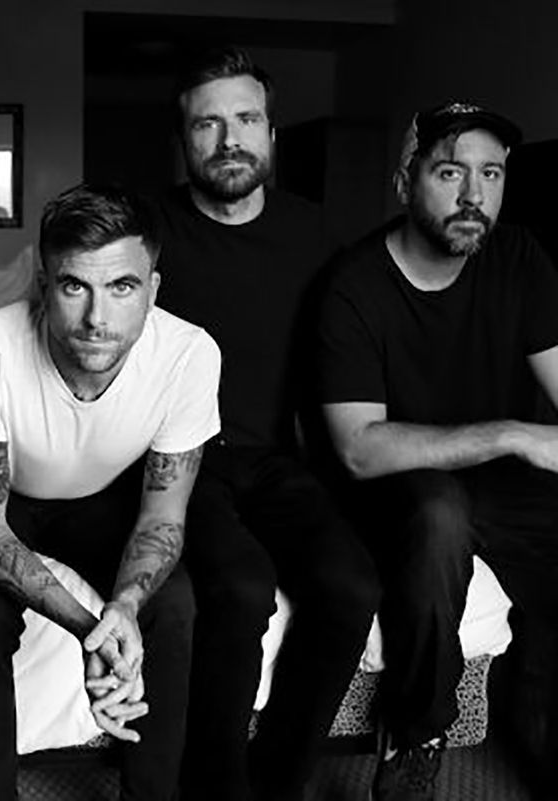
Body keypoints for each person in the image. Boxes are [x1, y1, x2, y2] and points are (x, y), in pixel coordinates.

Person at [152, 48, 380, 801]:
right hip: (181, 461)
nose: (229, 140)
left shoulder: (315, 235)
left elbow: (348, 358)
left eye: (246, 119)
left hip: (278, 462)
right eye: (207, 124)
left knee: (350, 584)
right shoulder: (147, 233)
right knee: (242, 588)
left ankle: (277, 780)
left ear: (272, 134)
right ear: (183, 140)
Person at [0, 183, 219, 800]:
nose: (97, 318)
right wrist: (90, 627)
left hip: (105, 499)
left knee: (173, 602)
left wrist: (124, 609)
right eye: (75, 286)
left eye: (122, 287)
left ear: (152, 289)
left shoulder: (189, 354)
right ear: (44, 285)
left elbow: (162, 517)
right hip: (8, 506)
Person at [318, 101, 558, 801]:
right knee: (439, 512)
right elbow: (359, 449)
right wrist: (512, 434)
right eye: (451, 172)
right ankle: (415, 735)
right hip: (396, 484)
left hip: (503, 487)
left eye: (492, 173)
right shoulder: (355, 284)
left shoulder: (519, 258)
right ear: (406, 180)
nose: (474, 195)